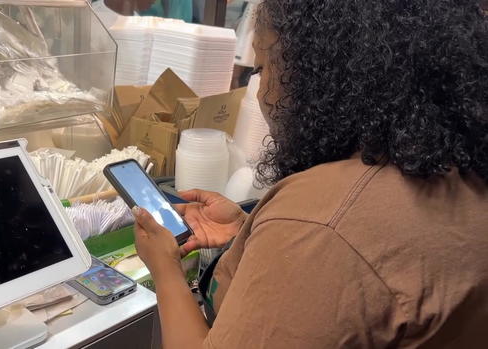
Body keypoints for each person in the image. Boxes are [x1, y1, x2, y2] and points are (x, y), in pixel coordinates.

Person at [130, 0, 488, 348]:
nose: (260, 92)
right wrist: (254, 233)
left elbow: (334, 245)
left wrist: (165, 267)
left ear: (316, 72)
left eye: (262, 67)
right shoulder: (463, 173)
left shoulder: (321, 225)